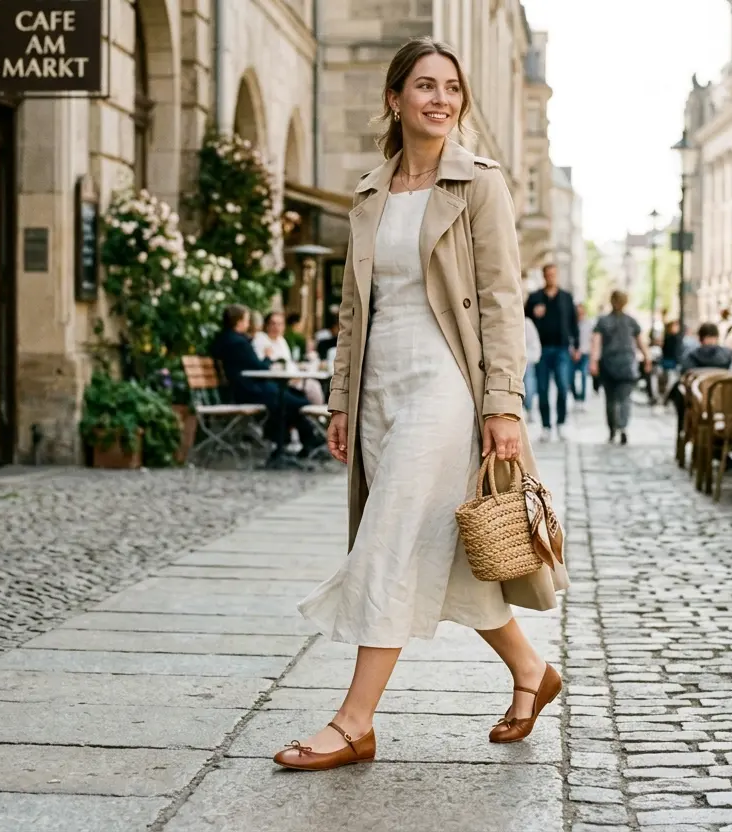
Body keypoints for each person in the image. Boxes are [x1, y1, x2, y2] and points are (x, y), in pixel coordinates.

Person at [278, 37, 568, 772]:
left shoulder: (480, 183)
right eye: (425, 86)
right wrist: (341, 400)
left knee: (392, 537)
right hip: (381, 386)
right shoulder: (371, 191)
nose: (441, 99)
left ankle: (354, 721)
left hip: (448, 384)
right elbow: (354, 311)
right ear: (395, 98)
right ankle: (532, 672)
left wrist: (503, 404)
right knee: (447, 551)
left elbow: (502, 303)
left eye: (451, 88)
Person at [211, 305, 320, 461]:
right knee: (294, 402)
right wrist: (268, 357)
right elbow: (260, 366)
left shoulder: (226, 339)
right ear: (239, 322)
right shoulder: (238, 343)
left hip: (246, 388)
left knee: (289, 400)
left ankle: (291, 444)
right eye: (246, 320)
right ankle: (300, 442)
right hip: (249, 390)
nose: (248, 324)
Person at [589, 290, 652, 445]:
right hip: (627, 364)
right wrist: (647, 358)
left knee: (610, 400)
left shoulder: (602, 321)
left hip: (608, 364)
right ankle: (622, 427)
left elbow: (596, 343)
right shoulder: (631, 321)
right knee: (624, 399)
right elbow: (640, 342)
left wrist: (593, 362)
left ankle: (612, 430)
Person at [524, 264, 579, 440]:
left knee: (563, 386)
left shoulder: (566, 297)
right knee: (542, 388)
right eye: (548, 275)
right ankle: (546, 426)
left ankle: (561, 423)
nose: (551, 277)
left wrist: (576, 346)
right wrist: (534, 313)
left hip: (562, 349)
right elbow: (524, 322)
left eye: (554, 274)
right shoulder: (534, 298)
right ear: (543, 276)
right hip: (541, 350)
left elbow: (573, 323)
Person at [254, 311, 324, 405]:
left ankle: (316, 417)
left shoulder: (281, 340)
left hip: (290, 379)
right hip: (273, 383)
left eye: (280, 324)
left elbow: (288, 362)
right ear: (266, 325)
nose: (276, 327)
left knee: (314, 386)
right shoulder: (260, 339)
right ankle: (314, 417)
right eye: (273, 323)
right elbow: (263, 365)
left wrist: (296, 374)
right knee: (312, 388)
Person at [572, 305, 595, 411]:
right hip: (572, 354)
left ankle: (583, 399)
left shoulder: (589, 324)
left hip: (585, 354)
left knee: (584, 376)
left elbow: (592, 340)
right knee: (569, 378)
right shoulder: (571, 323)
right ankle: (576, 397)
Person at [524, 314, 542, 422]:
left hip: (526, 361)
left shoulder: (526, 323)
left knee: (528, 385)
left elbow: (534, 343)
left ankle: (529, 409)